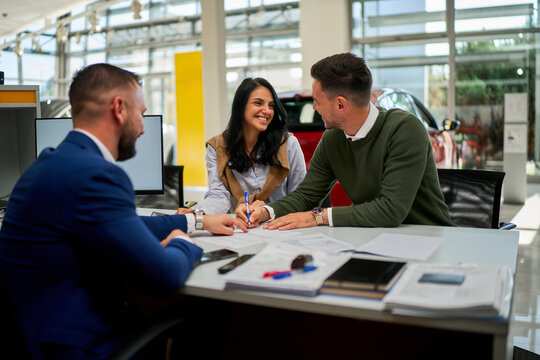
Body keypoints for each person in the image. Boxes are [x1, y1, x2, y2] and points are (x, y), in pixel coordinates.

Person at [0, 63, 246, 360]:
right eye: (141, 113)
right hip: (77, 346)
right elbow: (165, 274)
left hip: (33, 336)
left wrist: (195, 220)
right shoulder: (97, 174)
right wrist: (184, 241)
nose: (143, 128)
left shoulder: (47, 164)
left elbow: (125, 224)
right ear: (119, 108)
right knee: (210, 310)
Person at [246, 53, 453, 229]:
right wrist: (265, 211)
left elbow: (390, 210)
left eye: (317, 102)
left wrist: (318, 217)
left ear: (340, 105)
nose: (315, 108)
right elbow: (307, 195)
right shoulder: (333, 138)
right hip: (373, 239)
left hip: (428, 238)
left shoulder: (405, 129)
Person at [180, 77, 306, 219]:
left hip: (282, 226)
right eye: (258, 103)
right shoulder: (217, 147)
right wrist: (198, 214)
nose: (267, 111)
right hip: (243, 228)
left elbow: (299, 197)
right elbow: (218, 195)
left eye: (271, 105)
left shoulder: (288, 144)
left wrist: (267, 211)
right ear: (241, 106)